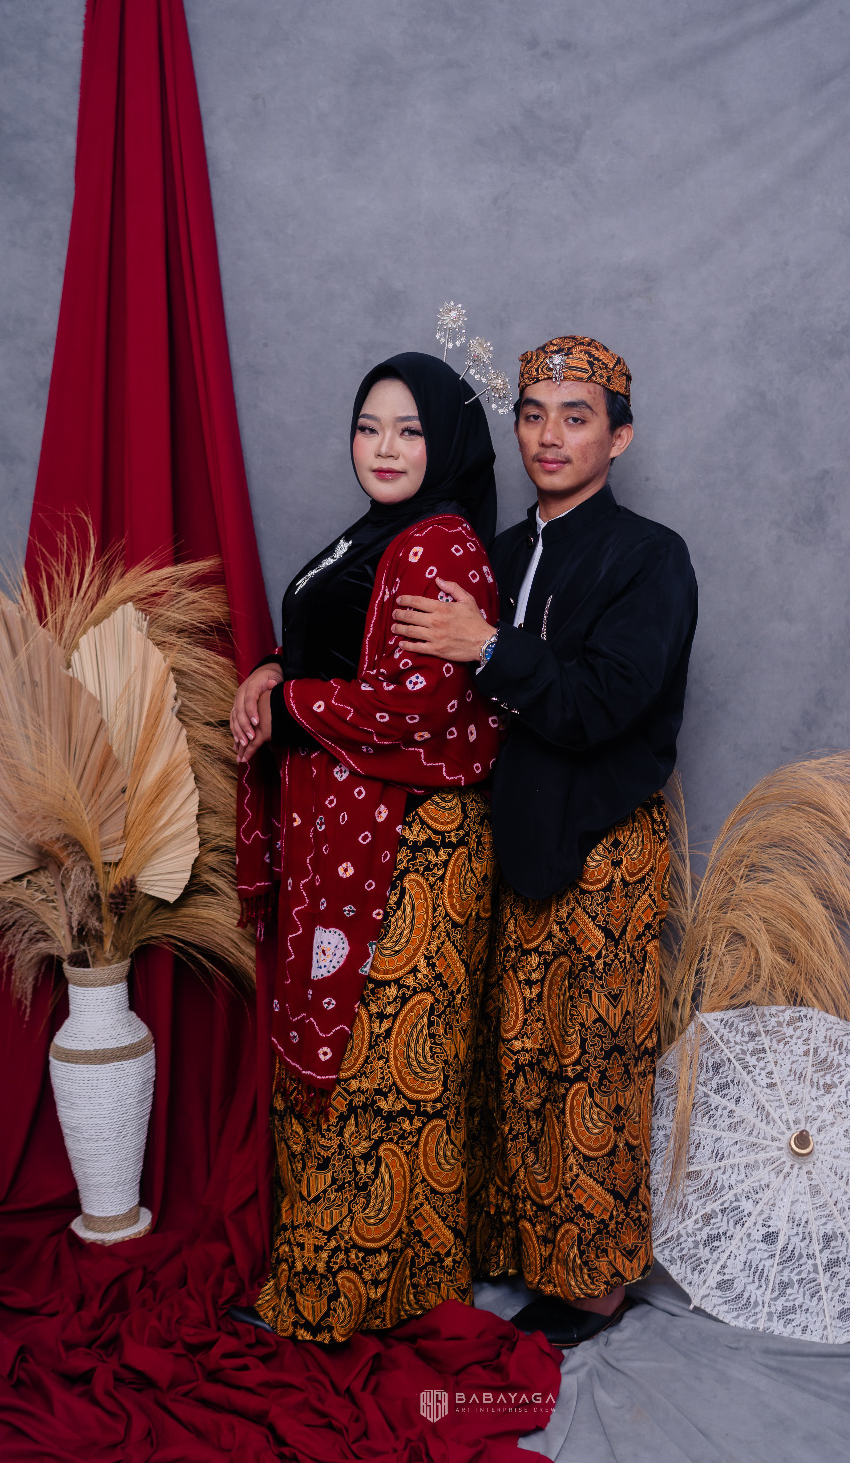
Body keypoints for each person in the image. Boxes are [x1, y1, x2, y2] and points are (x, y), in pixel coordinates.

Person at [391, 334, 698, 1347]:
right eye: (533, 415)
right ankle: (523, 1251)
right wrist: (273, 666)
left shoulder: (649, 557)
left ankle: (596, 1284)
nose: (550, 435)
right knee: (517, 1052)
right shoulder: (497, 552)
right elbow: (395, 649)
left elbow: (604, 702)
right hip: (510, 830)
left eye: (576, 416)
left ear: (619, 437)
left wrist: (488, 645)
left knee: (591, 1062)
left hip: (604, 842)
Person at [230, 352, 502, 1343]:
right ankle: (356, 1280)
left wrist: (290, 702)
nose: (384, 448)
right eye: (368, 427)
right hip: (348, 831)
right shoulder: (374, 535)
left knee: (380, 1065)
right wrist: (272, 669)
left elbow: (417, 702)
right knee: (345, 1054)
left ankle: (340, 1295)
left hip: (407, 846)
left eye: (409, 431)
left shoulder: (440, 547)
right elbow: (337, 642)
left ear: (446, 443)